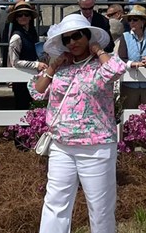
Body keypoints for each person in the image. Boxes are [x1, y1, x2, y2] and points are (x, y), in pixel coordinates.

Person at [30, 14, 126, 233]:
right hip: (61, 146)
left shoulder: (101, 65)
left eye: (77, 36)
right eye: (66, 39)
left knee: (100, 208)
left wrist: (98, 51)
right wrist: (53, 67)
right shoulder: (61, 68)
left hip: (96, 146)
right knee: (54, 203)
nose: (72, 42)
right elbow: (36, 91)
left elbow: (118, 70)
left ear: (88, 36)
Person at [115, 5, 146, 108]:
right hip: (129, 85)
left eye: (135, 19)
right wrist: (134, 64)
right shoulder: (125, 36)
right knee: (128, 116)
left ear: (143, 22)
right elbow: (120, 59)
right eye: (130, 20)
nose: (131, 22)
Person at [4, 0, 43, 109]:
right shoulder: (16, 37)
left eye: (26, 14)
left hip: (31, 78)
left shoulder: (32, 33)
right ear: (16, 18)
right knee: (22, 107)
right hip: (20, 80)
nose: (23, 17)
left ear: (30, 17)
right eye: (20, 15)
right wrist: (36, 65)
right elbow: (14, 62)